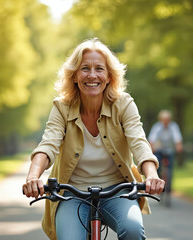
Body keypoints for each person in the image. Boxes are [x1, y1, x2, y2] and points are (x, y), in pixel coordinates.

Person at [22, 38, 164, 240]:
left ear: (109, 77)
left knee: (132, 230)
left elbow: (139, 142)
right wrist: (33, 177)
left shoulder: (123, 104)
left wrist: (151, 175)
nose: (92, 75)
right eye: (85, 68)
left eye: (99, 69)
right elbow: (48, 144)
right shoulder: (61, 107)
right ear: (74, 76)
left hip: (118, 191)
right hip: (72, 194)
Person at [148, 110, 183, 196]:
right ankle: (159, 177)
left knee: (170, 167)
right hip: (159, 149)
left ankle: (169, 185)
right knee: (158, 164)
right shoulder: (157, 127)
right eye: (164, 119)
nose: (166, 121)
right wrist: (152, 147)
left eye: (167, 119)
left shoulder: (173, 126)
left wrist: (178, 145)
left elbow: (177, 137)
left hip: (169, 149)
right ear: (161, 120)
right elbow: (152, 138)